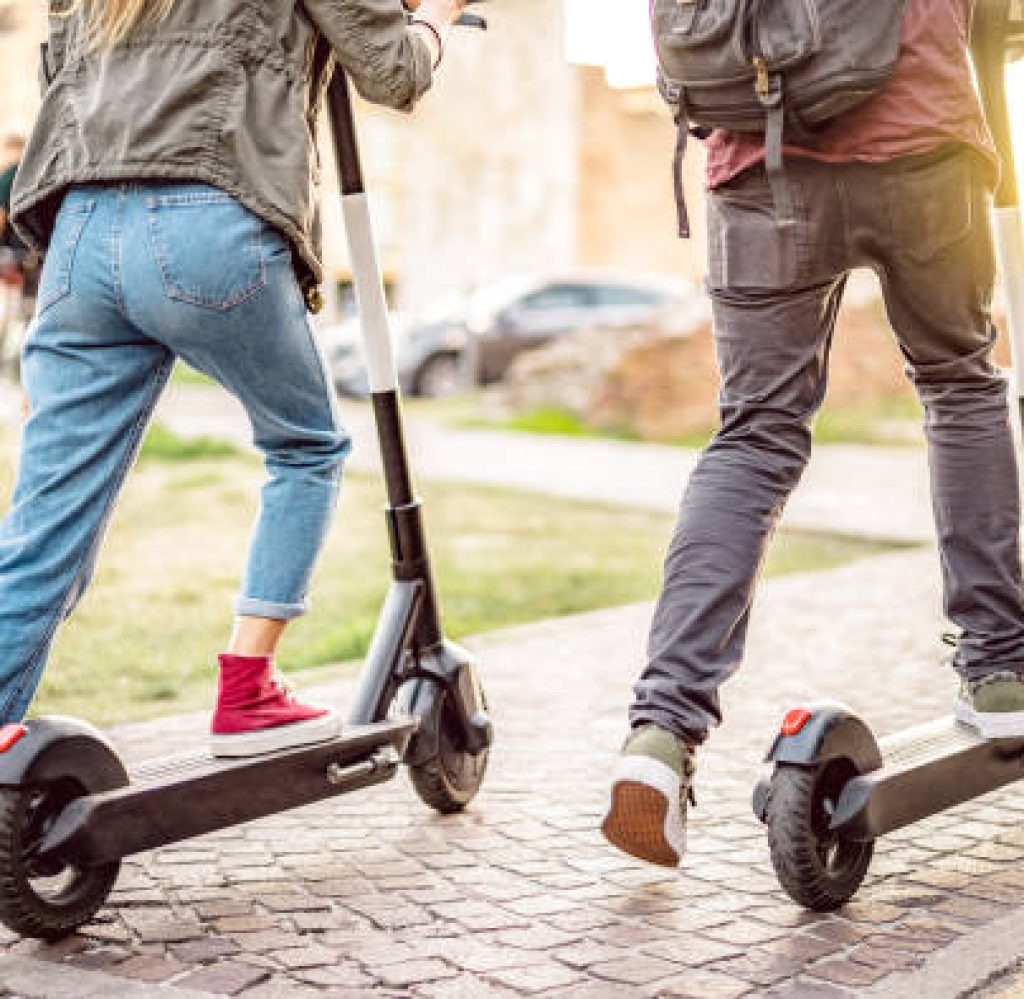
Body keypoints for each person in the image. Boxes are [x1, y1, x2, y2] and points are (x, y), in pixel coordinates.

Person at [601, 0, 1024, 867]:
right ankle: (1001, 667)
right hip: (923, 144)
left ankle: (661, 731)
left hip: (761, 152)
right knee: (960, 386)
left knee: (754, 438)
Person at [2, 0, 464, 756]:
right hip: (205, 217)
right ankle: (248, 690)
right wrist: (439, 13)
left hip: (79, 230)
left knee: (47, 516)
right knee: (306, 446)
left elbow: (58, 76)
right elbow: (393, 69)